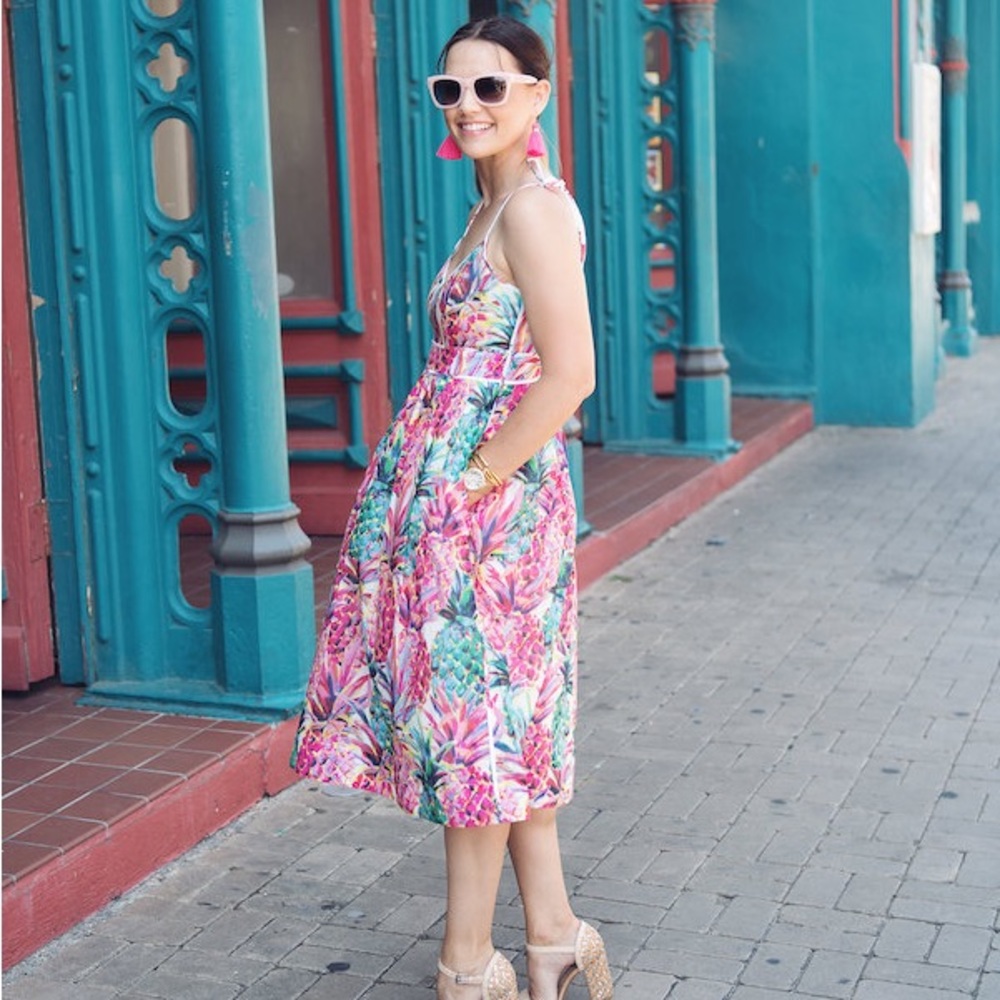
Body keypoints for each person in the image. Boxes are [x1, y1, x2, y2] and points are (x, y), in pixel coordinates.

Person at [293, 16, 612, 1000]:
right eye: (452, 91)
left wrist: (467, 485)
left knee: (473, 739)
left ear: (538, 96)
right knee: (500, 727)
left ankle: (466, 967)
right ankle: (553, 937)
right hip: (461, 509)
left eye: (491, 87)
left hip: (494, 516)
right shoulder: (494, 203)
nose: (470, 106)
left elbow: (570, 377)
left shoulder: (531, 211)